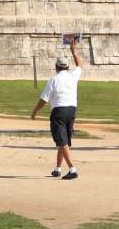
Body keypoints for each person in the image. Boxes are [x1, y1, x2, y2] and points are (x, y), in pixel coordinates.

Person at [31, 39, 82, 179]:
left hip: (59, 111)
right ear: (66, 67)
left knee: (62, 141)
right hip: (71, 111)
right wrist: (74, 52)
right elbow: (79, 65)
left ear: (56, 67)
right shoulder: (73, 76)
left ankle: (72, 170)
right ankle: (58, 168)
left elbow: (44, 99)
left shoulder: (54, 80)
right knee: (63, 140)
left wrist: (35, 111)